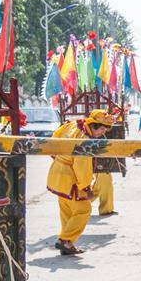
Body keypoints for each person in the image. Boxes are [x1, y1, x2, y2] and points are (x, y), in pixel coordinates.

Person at [46, 109, 114, 255]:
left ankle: (68, 244)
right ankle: (65, 240)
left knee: (67, 210)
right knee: (83, 209)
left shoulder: (73, 124)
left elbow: (55, 137)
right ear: (94, 125)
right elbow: (81, 166)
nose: (102, 132)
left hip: (58, 171)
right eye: (101, 129)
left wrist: (57, 157)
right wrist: (86, 188)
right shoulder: (85, 140)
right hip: (71, 178)